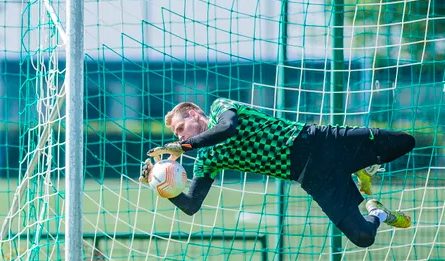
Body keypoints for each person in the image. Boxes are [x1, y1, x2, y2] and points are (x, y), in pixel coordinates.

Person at [140, 98, 415, 249]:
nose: (179, 135)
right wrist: (159, 183)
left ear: (193, 112)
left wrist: (183, 145)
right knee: (363, 237)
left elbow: (228, 128)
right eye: (177, 134)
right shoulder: (207, 160)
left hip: (316, 143)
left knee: (403, 142)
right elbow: (191, 205)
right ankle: (378, 213)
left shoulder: (218, 109)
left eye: (179, 128)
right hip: (313, 178)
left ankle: (363, 164)